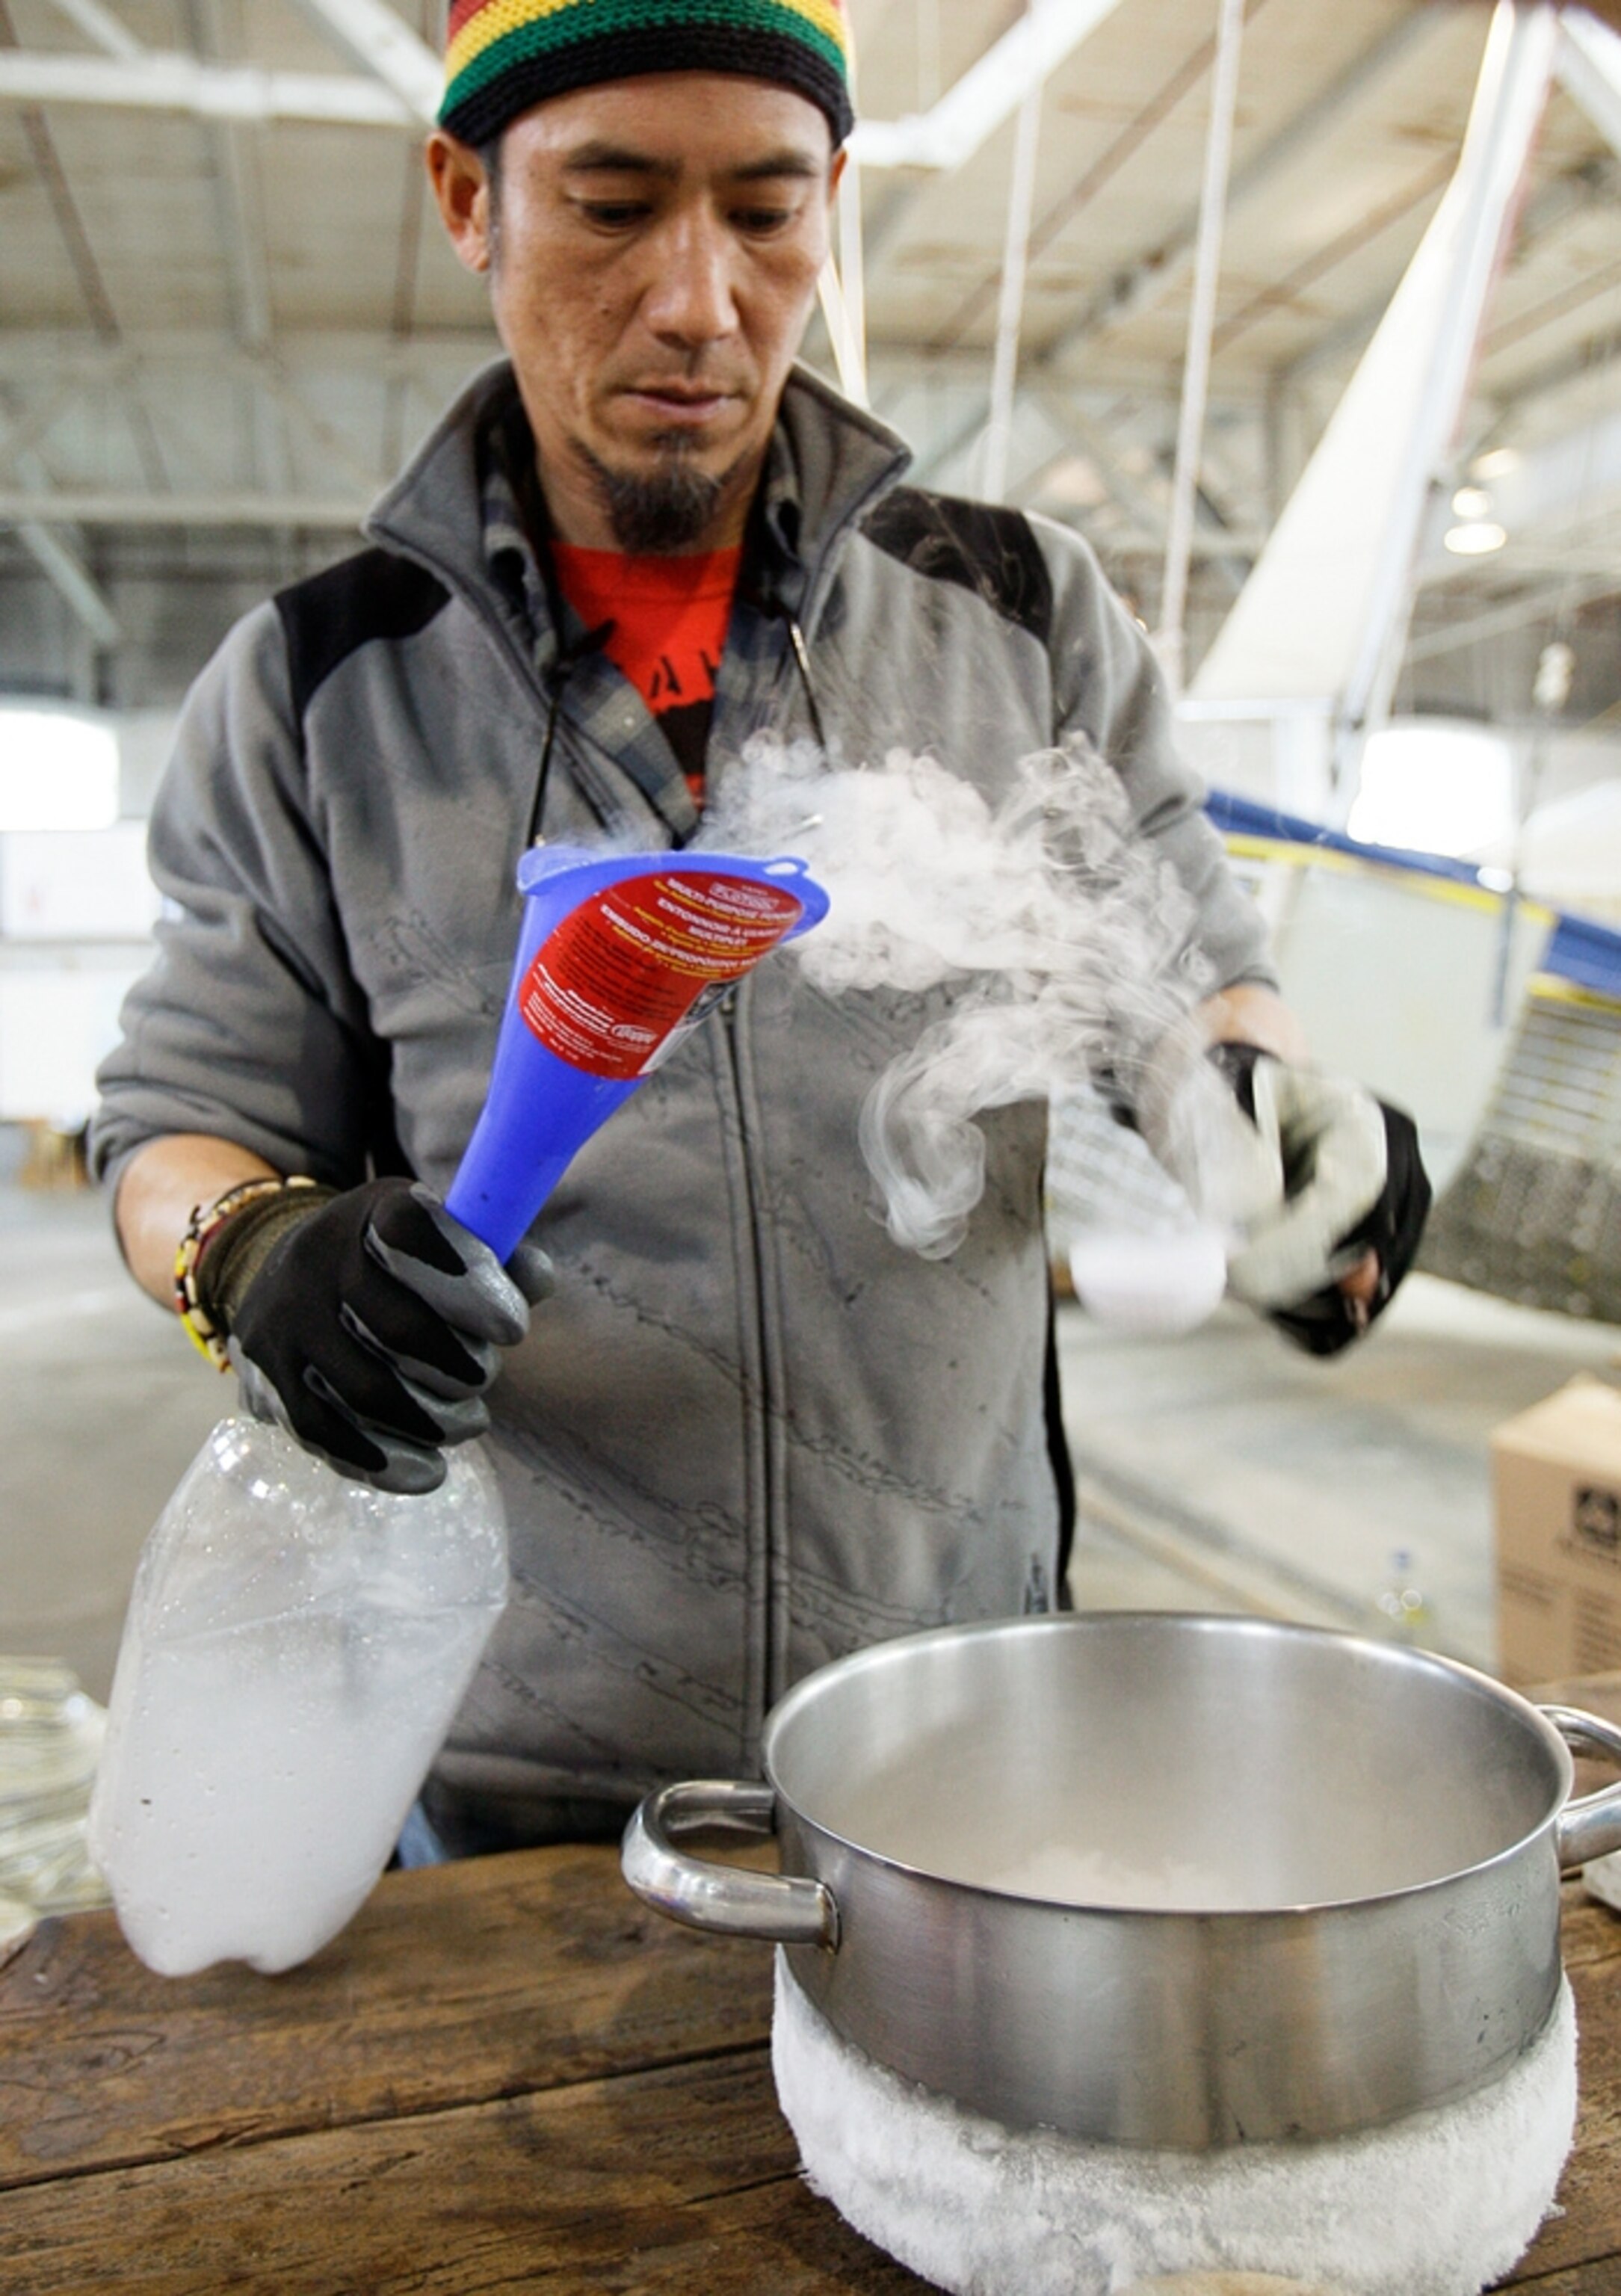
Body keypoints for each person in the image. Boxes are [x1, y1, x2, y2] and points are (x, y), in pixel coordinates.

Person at [90, 0, 1428, 1858]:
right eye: (613, 205)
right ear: (468, 198)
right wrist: (250, 1248)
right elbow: (174, 1118)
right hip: (514, 1775)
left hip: (960, 1715)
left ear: (833, 207)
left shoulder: (1014, 616)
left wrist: (1284, 1128)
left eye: (767, 213)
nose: (700, 301)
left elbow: (1185, 972)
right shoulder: (322, 689)